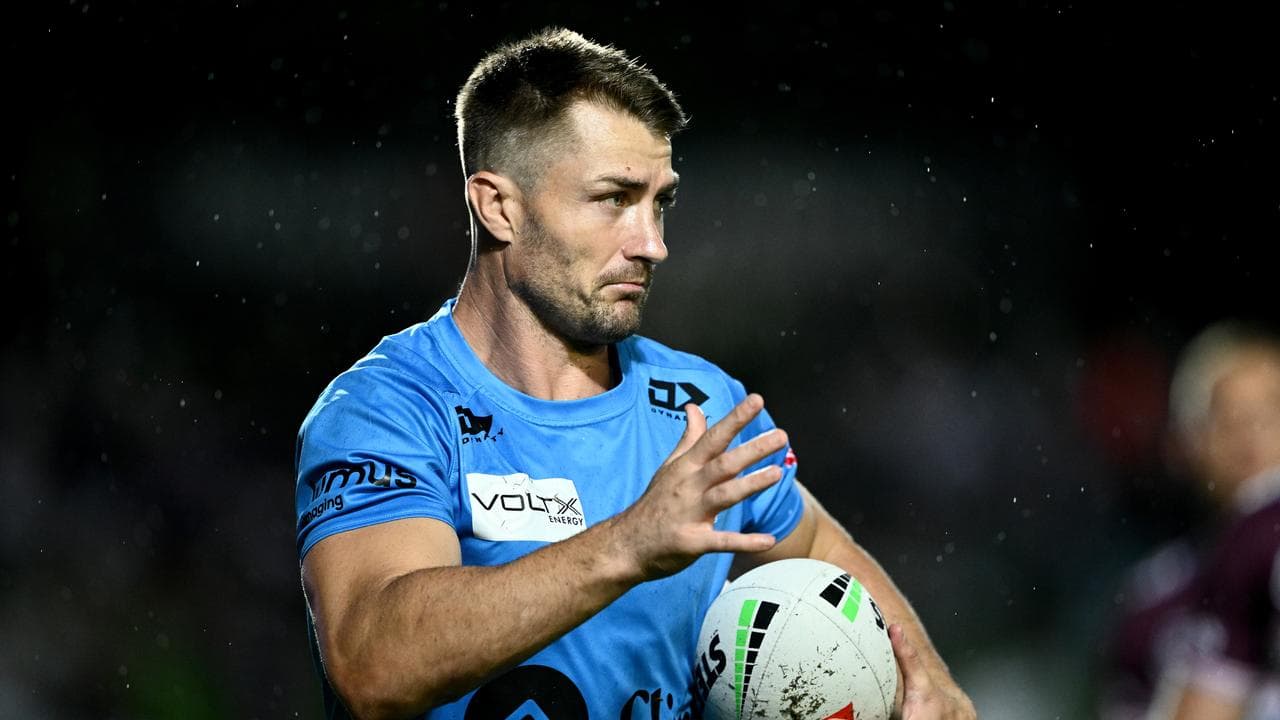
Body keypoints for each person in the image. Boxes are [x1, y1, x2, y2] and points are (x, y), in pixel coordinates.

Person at [294, 27, 975, 720]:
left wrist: (932, 682)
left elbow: (819, 544)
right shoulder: (387, 409)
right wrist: (632, 541)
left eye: (660, 203)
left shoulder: (701, 407)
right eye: (615, 199)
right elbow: (373, 666)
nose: (653, 244)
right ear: (499, 207)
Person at [1100, 321, 1280, 720]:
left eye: (1271, 414)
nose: (1252, 438)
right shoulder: (1156, 596)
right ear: (1185, 441)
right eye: (1230, 419)